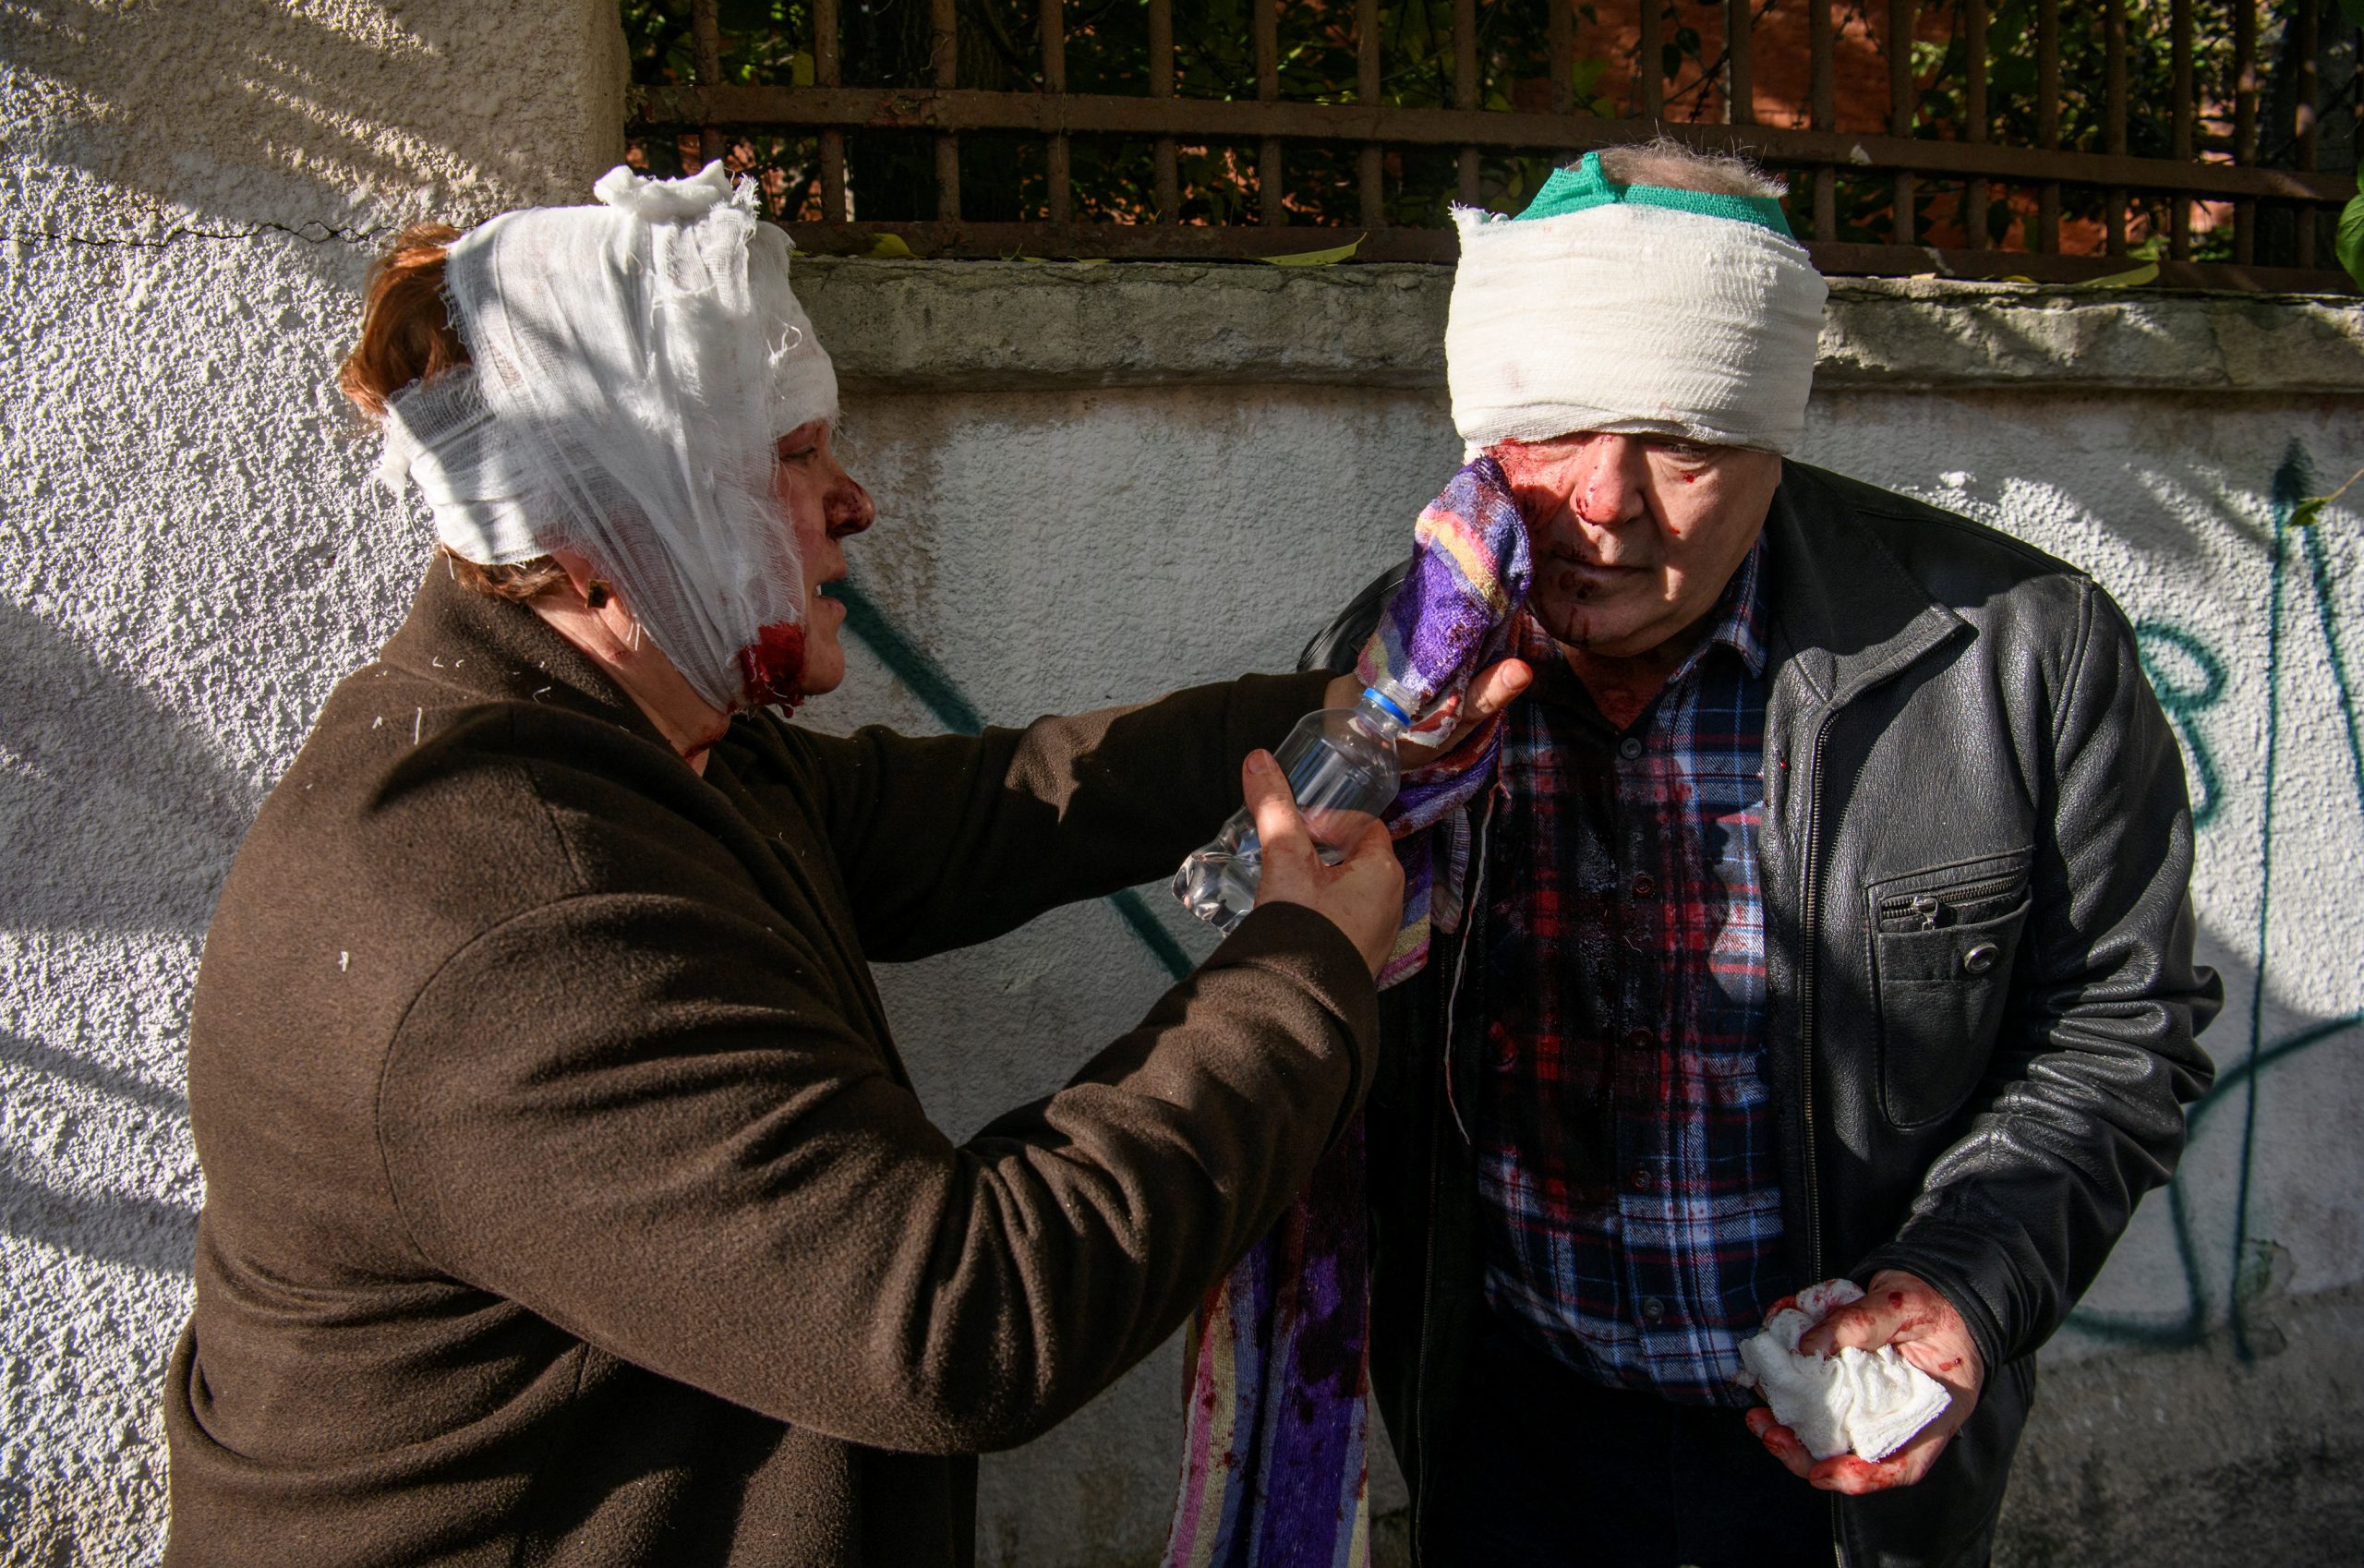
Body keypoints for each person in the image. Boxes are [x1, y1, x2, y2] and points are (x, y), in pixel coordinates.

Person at [160, 164, 1514, 1567]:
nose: (853, 503)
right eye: (790, 458)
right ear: (601, 533)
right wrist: (1298, 979)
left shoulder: (629, 737)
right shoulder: (507, 916)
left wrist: (1359, 709)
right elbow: (959, 1323)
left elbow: (983, 815)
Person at [1301, 141, 2221, 1567]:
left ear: (1773, 430)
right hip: (1507, 1446)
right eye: (1554, 432)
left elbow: (2121, 1020)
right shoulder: (1391, 682)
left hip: (1839, 1473)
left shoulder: (2015, 656)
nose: (1605, 501)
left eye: (1683, 442)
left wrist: (1962, 1285)